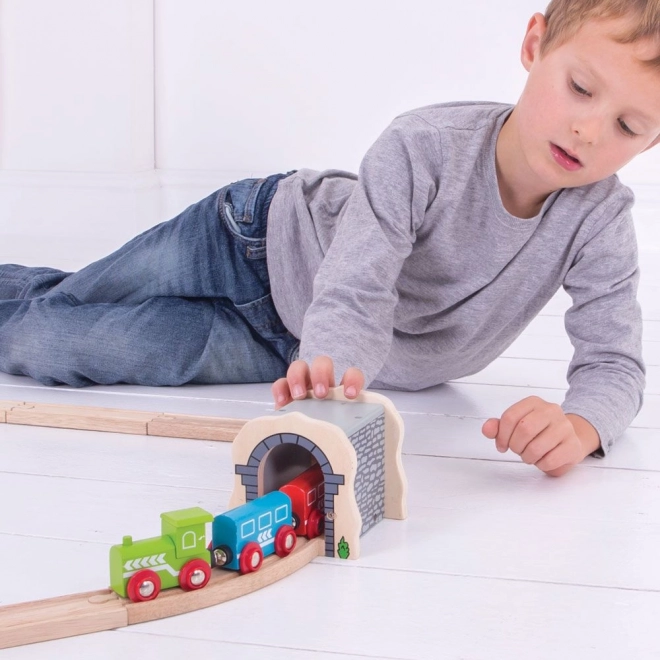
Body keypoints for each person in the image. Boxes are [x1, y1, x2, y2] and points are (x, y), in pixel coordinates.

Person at [1, 0, 658, 477]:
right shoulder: (425, 149)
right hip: (253, 240)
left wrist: (580, 427)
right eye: (579, 88)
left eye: (629, 126)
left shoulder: (598, 222)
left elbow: (615, 361)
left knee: (47, 339)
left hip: (288, 347)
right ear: (534, 43)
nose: (590, 131)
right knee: (68, 300)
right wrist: (340, 366)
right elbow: (355, 292)